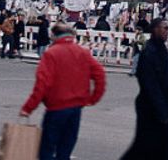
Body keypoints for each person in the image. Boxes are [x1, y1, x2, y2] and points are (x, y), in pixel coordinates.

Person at [21, 22, 108, 160]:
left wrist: (28, 108)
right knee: (65, 150)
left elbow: (42, 84)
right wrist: (93, 98)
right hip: (76, 109)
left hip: (56, 108)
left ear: (54, 36)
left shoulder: (51, 54)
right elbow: (100, 74)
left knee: (47, 149)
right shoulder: (83, 53)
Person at [122, 21, 168, 159]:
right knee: (145, 148)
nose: (167, 31)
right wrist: (162, 111)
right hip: (153, 109)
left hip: (167, 106)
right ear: (155, 30)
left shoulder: (161, 49)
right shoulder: (149, 52)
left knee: (162, 148)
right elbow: (150, 85)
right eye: (165, 28)